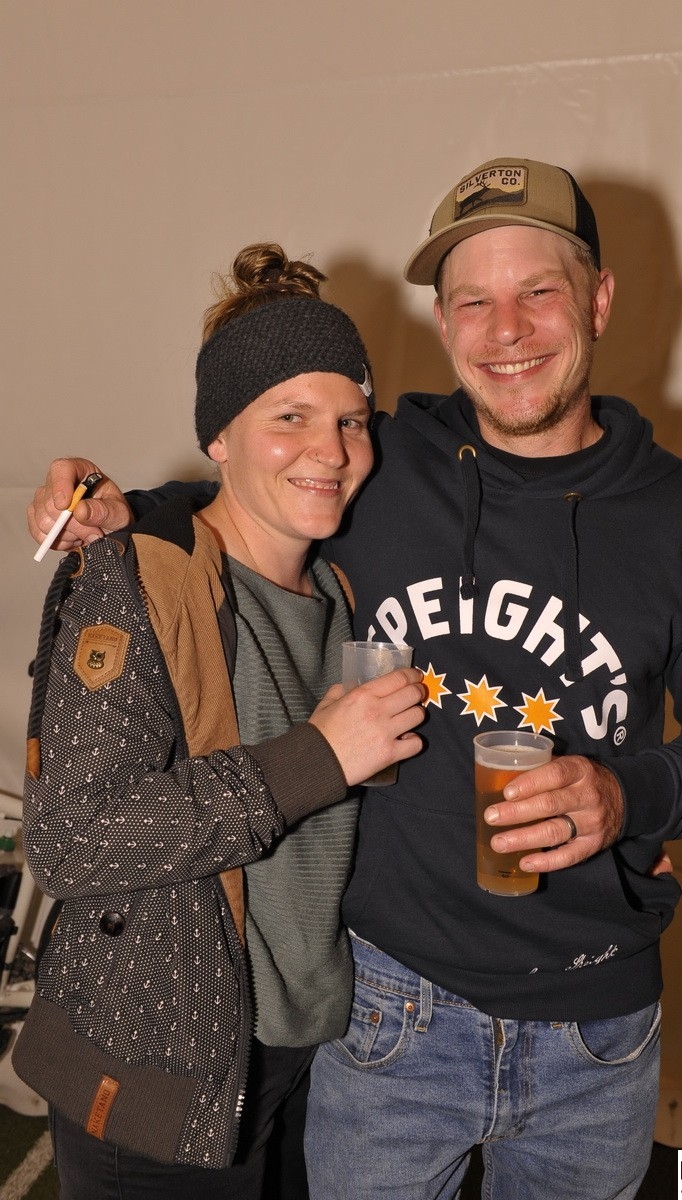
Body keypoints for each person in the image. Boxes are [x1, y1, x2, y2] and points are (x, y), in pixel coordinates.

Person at [28, 159, 682, 1200]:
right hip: (389, 1014)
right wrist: (124, 514)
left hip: (596, 1024)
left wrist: (630, 794)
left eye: (540, 291)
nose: (507, 331)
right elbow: (253, 477)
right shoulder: (385, 465)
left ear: (600, 300)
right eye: (473, 301)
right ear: (441, 321)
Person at [16, 241, 425, 1200]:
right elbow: (72, 841)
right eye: (289, 417)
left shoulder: (345, 591)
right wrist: (316, 757)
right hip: (161, 1079)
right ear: (220, 438)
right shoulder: (133, 582)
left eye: (351, 420)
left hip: (311, 1063)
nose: (332, 450)